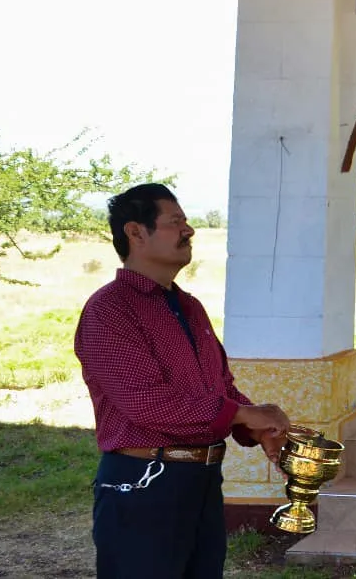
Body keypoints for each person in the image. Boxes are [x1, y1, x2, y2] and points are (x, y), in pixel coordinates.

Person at [74, 183, 292, 579]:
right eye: (176, 222)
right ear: (136, 233)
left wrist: (256, 429)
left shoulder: (189, 306)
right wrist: (244, 413)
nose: (189, 231)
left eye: (187, 222)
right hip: (144, 485)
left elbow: (219, 387)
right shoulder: (109, 309)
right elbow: (148, 403)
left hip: (203, 482)